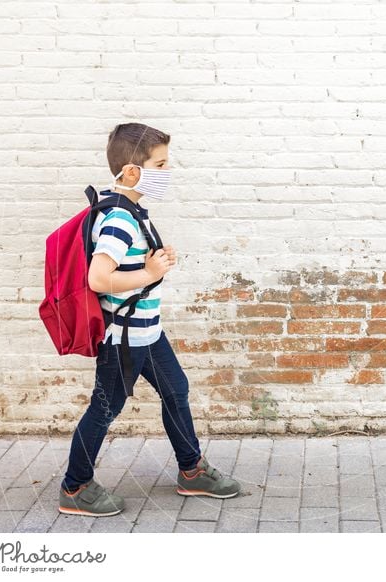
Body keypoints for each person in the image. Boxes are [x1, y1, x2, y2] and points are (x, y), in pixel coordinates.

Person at [58, 122, 241, 517]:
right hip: (123, 337)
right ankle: (75, 487)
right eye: (160, 164)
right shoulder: (120, 219)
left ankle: (191, 471)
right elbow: (98, 278)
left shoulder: (129, 210)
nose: (167, 172)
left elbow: (126, 268)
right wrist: (150, 273)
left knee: (176, 390)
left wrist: (152, 262)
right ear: (131, 172)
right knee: (104, 409)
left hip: (146, 332)